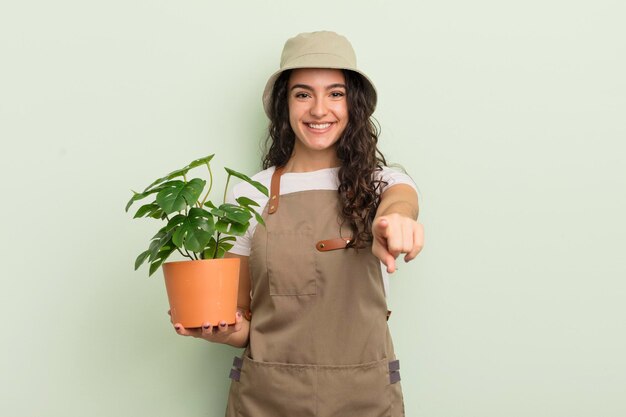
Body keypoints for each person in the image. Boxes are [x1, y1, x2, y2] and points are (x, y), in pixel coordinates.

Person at [173, 31, 424, 417]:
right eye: (303, 94)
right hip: (268, 398)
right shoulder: (250, 194)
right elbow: (242, 323)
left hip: (364, 396)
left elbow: (402, 202)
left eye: (335, 94)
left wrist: (395, 221)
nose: (319, 109)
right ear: (284, 105)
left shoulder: (381, 183)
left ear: (353, 104)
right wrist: (223, 331)